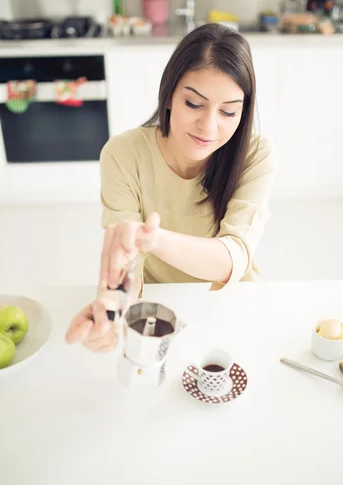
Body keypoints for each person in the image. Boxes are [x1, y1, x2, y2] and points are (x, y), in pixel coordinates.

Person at [65, 23, 276, 352]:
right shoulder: (123, 154)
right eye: (194, 104)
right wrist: (109, 312)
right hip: (160, 308)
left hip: (234, 303)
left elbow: (233, 258)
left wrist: (154, 239)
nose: (209, 126)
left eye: (229, 111)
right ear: (169, 96)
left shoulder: (255, 154)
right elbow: (123, 258)